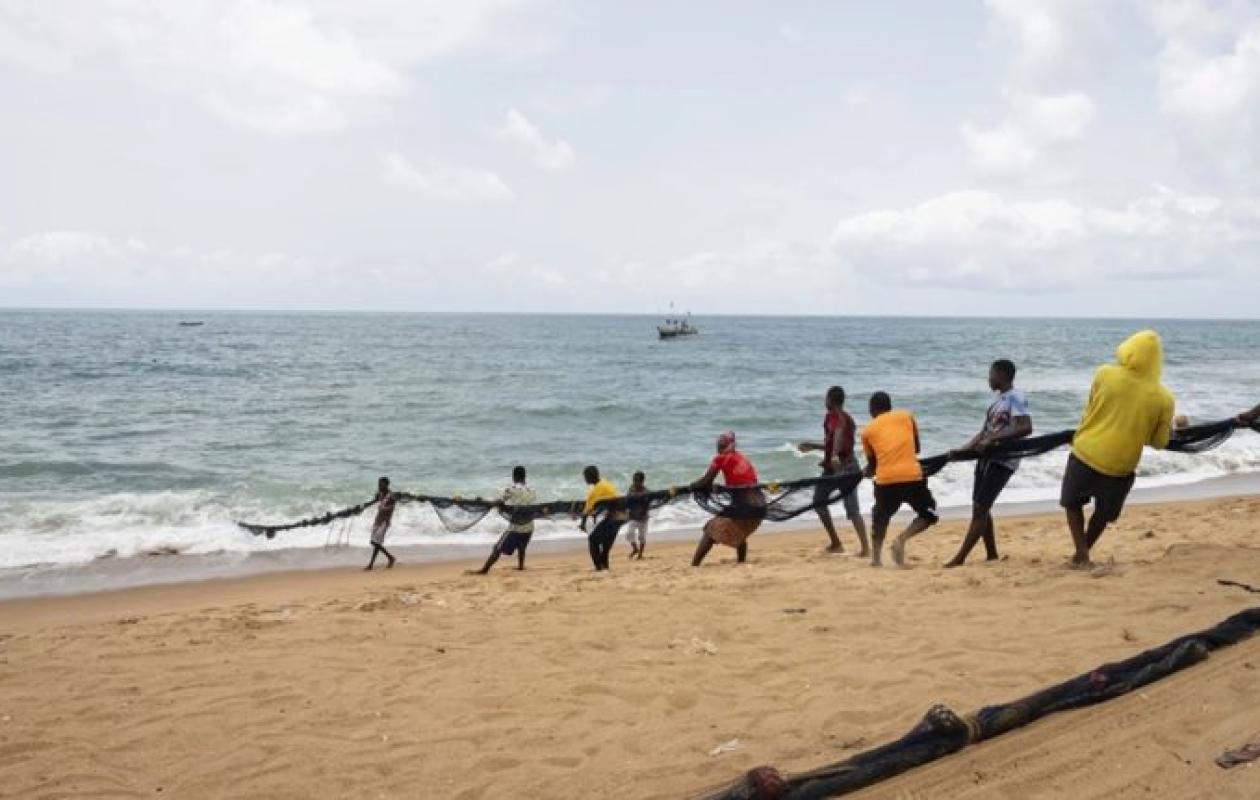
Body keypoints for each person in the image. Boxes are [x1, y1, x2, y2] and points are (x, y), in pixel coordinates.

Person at [1061, 330, 1175, 566]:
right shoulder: (1164, 398)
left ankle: (1081, 551)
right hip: (1120, 467)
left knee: (1072, 504)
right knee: (1102, 515)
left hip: (1085, 452)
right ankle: (1084, 551)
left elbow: (1090, 409)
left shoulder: (1104, 374)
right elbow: (1159, 442)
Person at [945, 360, 1032, 568]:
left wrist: (995, 439)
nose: (989, 378)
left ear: (1001, 375)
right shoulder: (996, 402)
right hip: (986, 458)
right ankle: (992, 554)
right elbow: (983, 432)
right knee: (980, 506)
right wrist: (963, 450)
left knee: (981, 508)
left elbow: (1025, 427)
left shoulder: (1016, 397)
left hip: (1003, 460)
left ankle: (960, 557)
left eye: (991, 374)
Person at [861, 392, 938, 568]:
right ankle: (901, 539)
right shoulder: (906, 416)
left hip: (886, 480)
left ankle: (876, 559)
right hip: (912, 476)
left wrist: (867, 471)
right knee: (929, 513)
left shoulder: (867, 431)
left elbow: (873, 465)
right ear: (890, 406)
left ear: (872, 409)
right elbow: (916, 448)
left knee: (880, 516)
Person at [798, 386, 869, 555]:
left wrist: (835, 455)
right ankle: (836, 543)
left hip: (847, 468)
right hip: (831, 469)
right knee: (819, 502)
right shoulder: (828, 418)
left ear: (830, 399)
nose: (824, 401)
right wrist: (813, 446)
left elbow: (838, 435)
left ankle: (866, 548)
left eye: (826, 398)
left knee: (852, 509)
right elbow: (831, 443)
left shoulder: (843, 418)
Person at [690, 431, 766, 567]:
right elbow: (741, 482)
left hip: (747, 508)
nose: (719, 447)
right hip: (759, 508)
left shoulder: (721, 458)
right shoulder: (740, 457)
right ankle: (741, 562)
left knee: (711, 529)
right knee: (737, 531)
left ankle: (694, 565)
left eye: (721, 444)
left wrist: (693, 486)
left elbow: (706, 481)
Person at [472, 466, 537, 575]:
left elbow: (497, 502)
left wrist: (482, 501)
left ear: (514, 476)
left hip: (516, 527)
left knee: (497, 548)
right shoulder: (532, 489)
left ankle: (484, 570)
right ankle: (521, 566)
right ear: (525, 476)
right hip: (529, 526)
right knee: (522, 545)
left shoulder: (511, 489)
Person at [580, 466, 626, 571]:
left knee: (592, 540)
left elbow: (587, 511)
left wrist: (582, 524)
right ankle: (605, 567)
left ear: (589, 477)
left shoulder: (595, 491)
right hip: (621, 516)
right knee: (605, 545)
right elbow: (612, 500)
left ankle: (598, 569)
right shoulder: (606, 484)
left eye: (585, 476)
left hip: (613, 517)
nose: (584, 479)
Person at [365, 476, 397, 570]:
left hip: (384, 521)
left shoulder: (391, 496)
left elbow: (392, 507)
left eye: (381, 484)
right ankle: (390, 558)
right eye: (378, 484)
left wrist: (384, 508)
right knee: (374, 542)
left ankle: (371, 564)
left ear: (386, 485)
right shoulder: (380, 494)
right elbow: (374, 501)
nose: (379, 486)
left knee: (375, 542)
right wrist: (365, 505)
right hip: (378, 520)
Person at [625, 471, 650, 560]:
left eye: (637, 481)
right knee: (629, 534)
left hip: (643, 518)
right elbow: (628, 501)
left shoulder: (646, 491)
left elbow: (647, 504)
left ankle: (640, 554)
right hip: (633, 517)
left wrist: (643, 511)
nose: (635, 483)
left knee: (642, 537)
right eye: (634, 480)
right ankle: (635, 549)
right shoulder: (631, 489)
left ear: (642, 482)